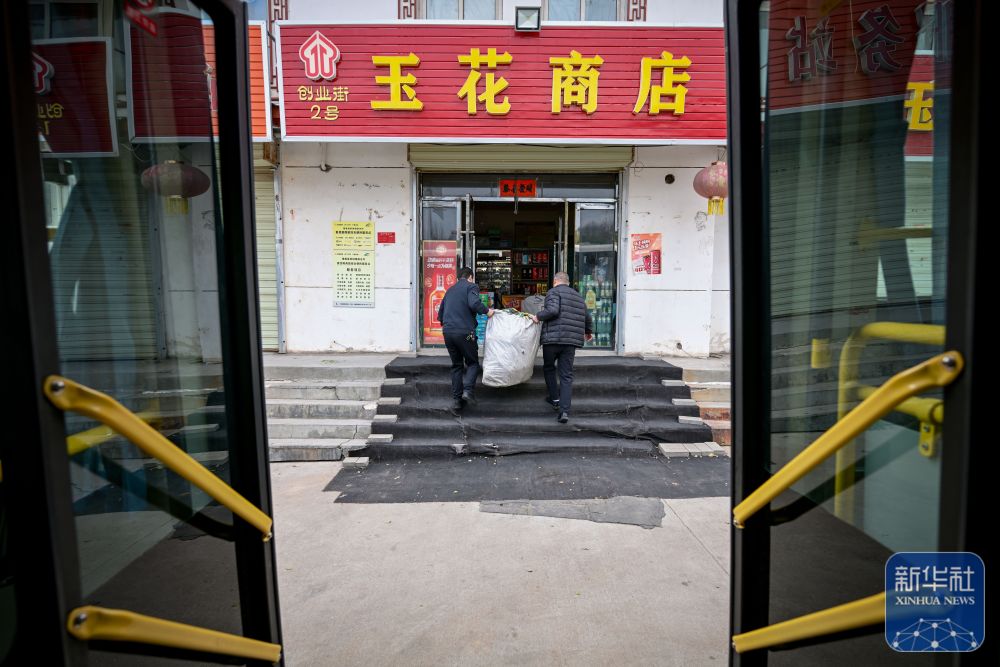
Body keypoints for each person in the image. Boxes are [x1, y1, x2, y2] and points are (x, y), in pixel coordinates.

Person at [531, 272, 593, 423]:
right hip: (570, 341)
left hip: (552, 340)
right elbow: (587, 317)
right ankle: (564, 411)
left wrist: (538, 316)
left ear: (555, 281)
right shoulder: (578, 296)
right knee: (566, 375)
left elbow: (553, 310)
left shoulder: (553, 292)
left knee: (549, 368)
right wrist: (588, 331)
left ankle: (555, 399)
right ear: (568, 282)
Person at [438, 267, 494, 410]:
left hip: (448, 332)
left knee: (456, 365)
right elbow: (474, 303)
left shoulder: (449, 290)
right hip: (465, 332)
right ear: (470, 277)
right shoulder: (471, 286)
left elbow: (440, 315)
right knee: (472, 362)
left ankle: (457, 400)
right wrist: (487, 311)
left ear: (458, 278)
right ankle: (468, 391)